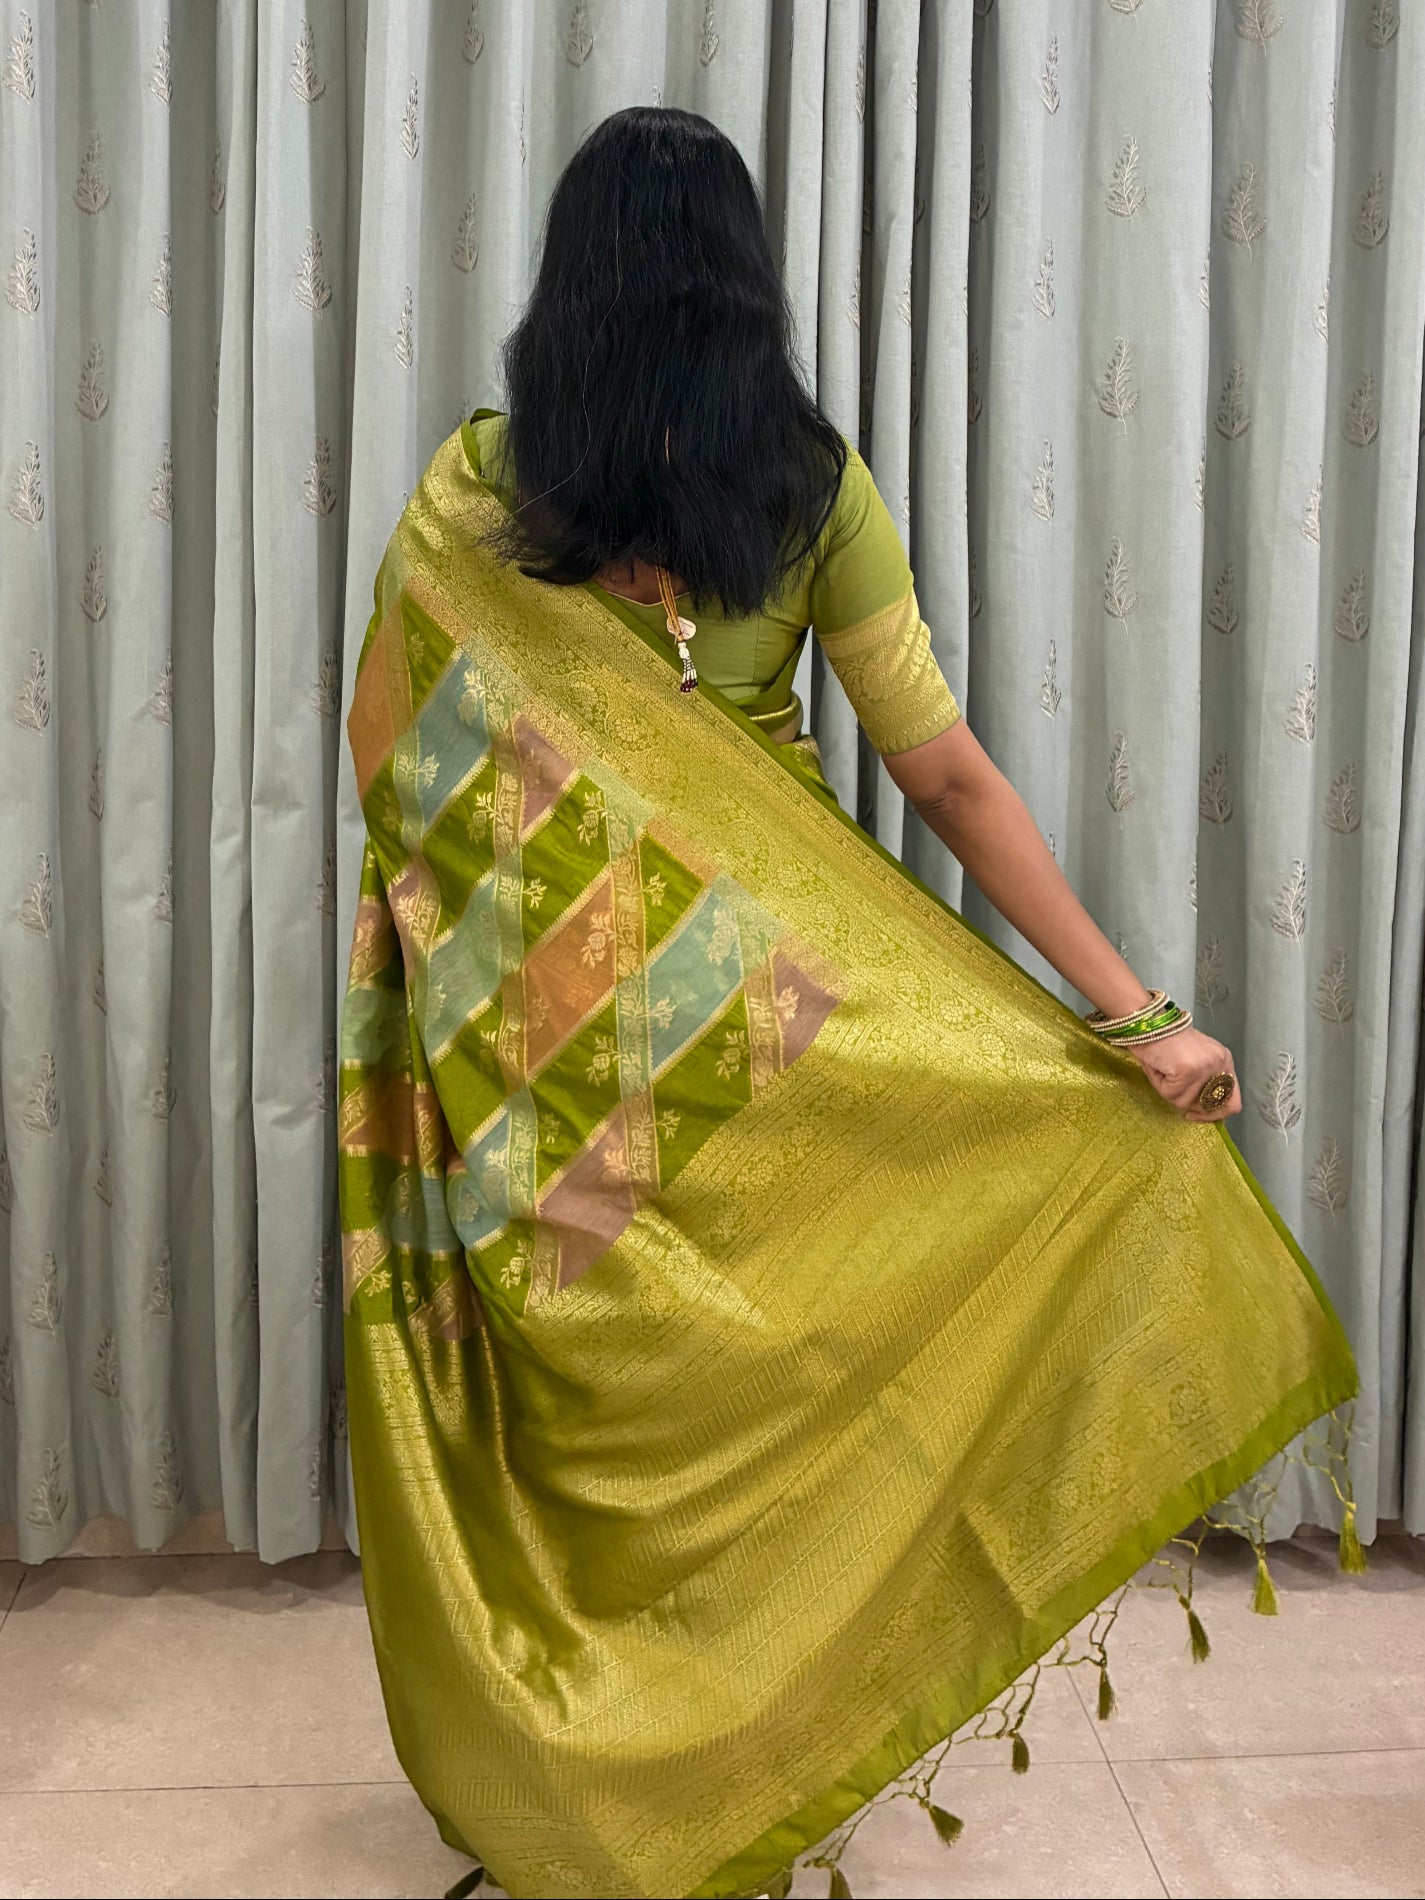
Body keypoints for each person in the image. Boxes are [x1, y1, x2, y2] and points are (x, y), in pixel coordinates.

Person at [339, 108, 1354, 1900]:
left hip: (552, 1038)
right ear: (743, 281)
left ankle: (603, 1790)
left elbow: (401, 773)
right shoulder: (804, 483)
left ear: (569, 280)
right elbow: (943, 774)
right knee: (772, 1405)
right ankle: (733, 1782)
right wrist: (1133, 1021)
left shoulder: (482, 492)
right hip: (785, 1022)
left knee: (601, 1408)